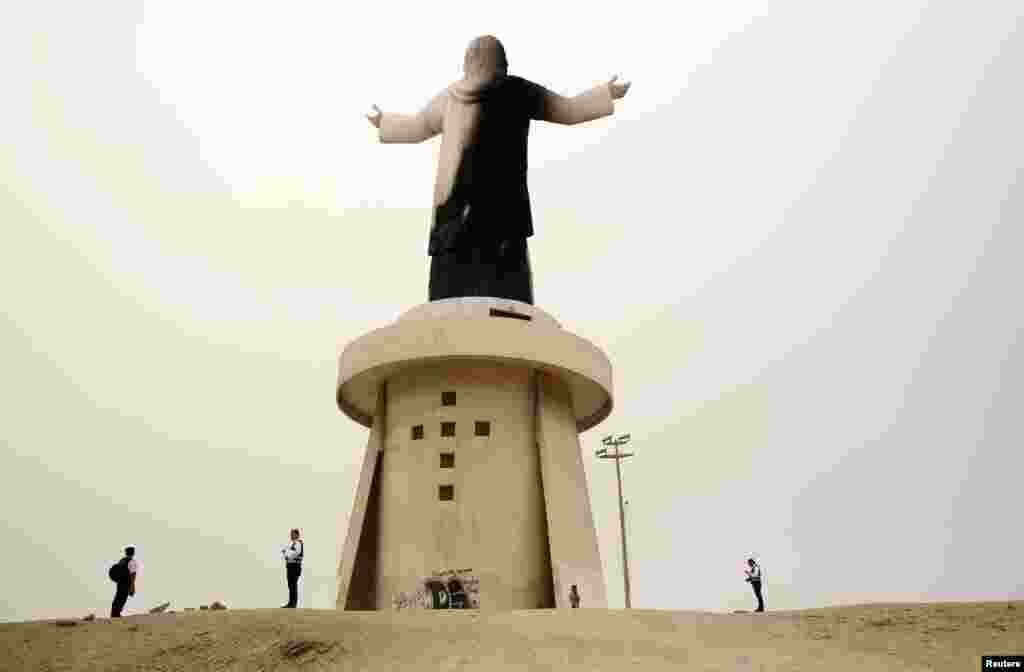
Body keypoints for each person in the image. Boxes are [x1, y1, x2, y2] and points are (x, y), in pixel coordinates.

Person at [365, 35, 632, 305]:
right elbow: (568, 110)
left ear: (467, 64)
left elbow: (418, 126)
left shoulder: (451, 98)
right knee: (508, 297)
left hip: (453, 216)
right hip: (503, 214)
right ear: (502, 62)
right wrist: (605, 94)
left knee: (449, 294)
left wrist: (383, 122)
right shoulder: (518, 91)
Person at [109, 546, 138, 618]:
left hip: (120, 581)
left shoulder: (122, 560)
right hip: (126, 582)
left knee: (118, 597)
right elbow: (133, 575)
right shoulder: (132, 561)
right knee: (122, 598)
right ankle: (116, 614)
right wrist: (132, 587)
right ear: (133, 553)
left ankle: (114, 613)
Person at [281, 528, 304, 608]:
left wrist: (288, 555)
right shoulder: (291, 544)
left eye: (293, 534)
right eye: (291, 534)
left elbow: (297, 552)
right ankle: (290, 602)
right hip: (290, 566)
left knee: (293, 584)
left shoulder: (298, 543)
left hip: (295, 566)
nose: (291, 535)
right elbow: (285, 552)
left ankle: (293, 603)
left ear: (297, 535)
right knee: (290, 585)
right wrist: (286, 554)